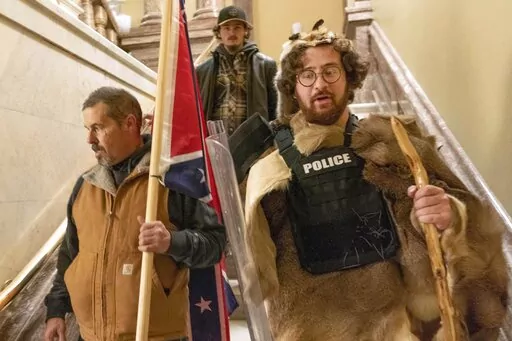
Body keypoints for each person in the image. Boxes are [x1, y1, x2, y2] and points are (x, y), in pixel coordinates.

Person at [241, 21, 508, 340]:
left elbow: (467, 216)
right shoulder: (269, 164)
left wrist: (450, 215)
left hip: (394, 327)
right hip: (309, 328)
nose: (319, 84)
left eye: (331, 71)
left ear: (349, 77)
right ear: (293, 87)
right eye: (307, 75)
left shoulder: (397, 145)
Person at [43, 87, 226, 341]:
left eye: (98, 127)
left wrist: (171, 242)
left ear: (130, 123)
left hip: (156, 337)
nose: (90, 140)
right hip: (90, 335)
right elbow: (70, 255)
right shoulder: (85, 186)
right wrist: (56, 310)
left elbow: (216, 244)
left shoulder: (172, 180)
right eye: (88, 129)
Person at [195, 5, 277, 136]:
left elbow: (275, 108)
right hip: (215, 143)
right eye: (226, 28)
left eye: (237, 28)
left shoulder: (266, 65)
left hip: (254, 144)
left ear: (245, 31)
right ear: (219, 32)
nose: (232, 33)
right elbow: (193, 111)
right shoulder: (202, 71)